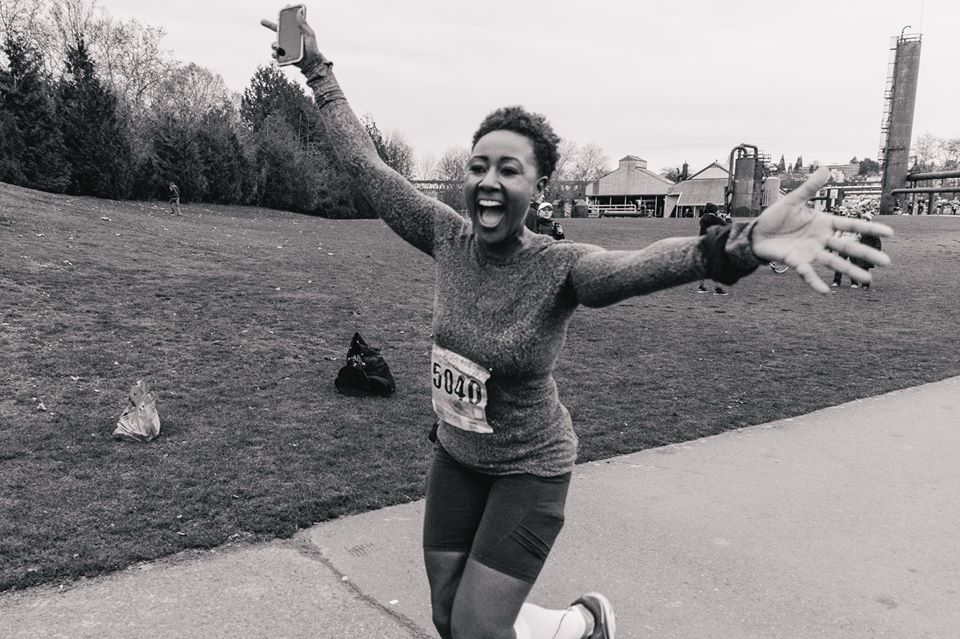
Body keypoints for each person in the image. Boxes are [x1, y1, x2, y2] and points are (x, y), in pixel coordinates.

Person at [261, 13, 891, 639]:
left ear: (538, 186)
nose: (488, 181)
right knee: (449, 615)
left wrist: (735, 247)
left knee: (478, 630)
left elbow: (633, 267)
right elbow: (368, 168)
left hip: (530, 468)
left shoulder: (558, 267)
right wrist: (318, 69)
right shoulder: (444, 236)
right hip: (456, 457)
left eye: (509, 170)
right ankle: (576, 627)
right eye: (479, 166)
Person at [696, 203, 731, 294]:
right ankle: (718, 288)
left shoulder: (703, 218)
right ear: (714, 211)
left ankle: (701, 286)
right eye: (717, 210)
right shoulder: (715, 219)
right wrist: (726, 218)